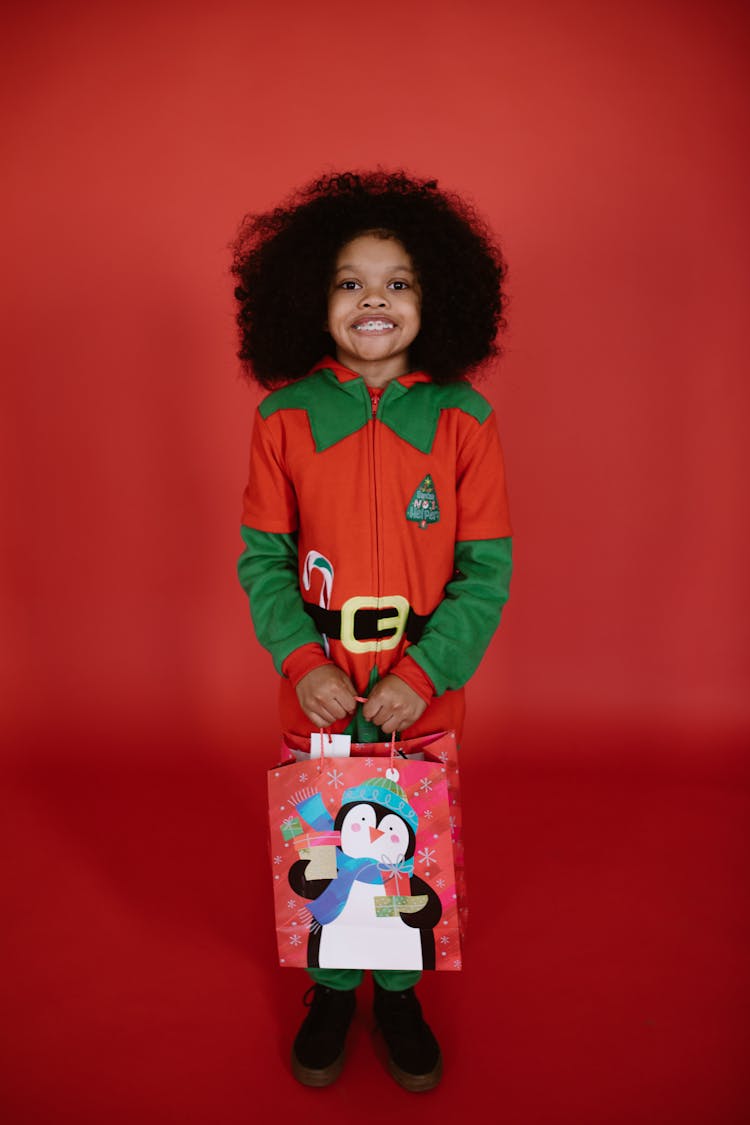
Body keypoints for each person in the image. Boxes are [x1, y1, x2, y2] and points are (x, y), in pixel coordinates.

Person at [232, 171, 512, 1092]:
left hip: (419, 686)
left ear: (438, 297)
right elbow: (263, 559)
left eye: (398, 283)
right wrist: (302, 659)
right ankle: (327, 987)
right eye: (351, 282)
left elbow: (485, 572)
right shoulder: (283, 417)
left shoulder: (465, 419)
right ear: (314, 298)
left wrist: (426, 673)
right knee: (323, 837)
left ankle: (398, 988)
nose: (374, 302)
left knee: (405, 842)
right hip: (318, 683)